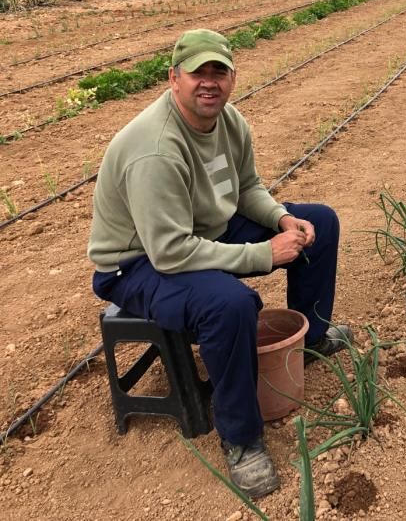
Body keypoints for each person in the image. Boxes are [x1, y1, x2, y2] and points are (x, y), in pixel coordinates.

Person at [87, 29, 351, 500]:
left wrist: (283, 219)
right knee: (230, 304)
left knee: (320, 224)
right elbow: (169, 251)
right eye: (197, 74)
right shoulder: (156, 148)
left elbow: (247, 188)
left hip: (204, 231)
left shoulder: (229, 122)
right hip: (139, 263)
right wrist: (263, 254)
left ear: (232, 79)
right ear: (173, 79)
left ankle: (310, 338)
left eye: (219, 73)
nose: (209, 83)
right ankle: (241, 438)